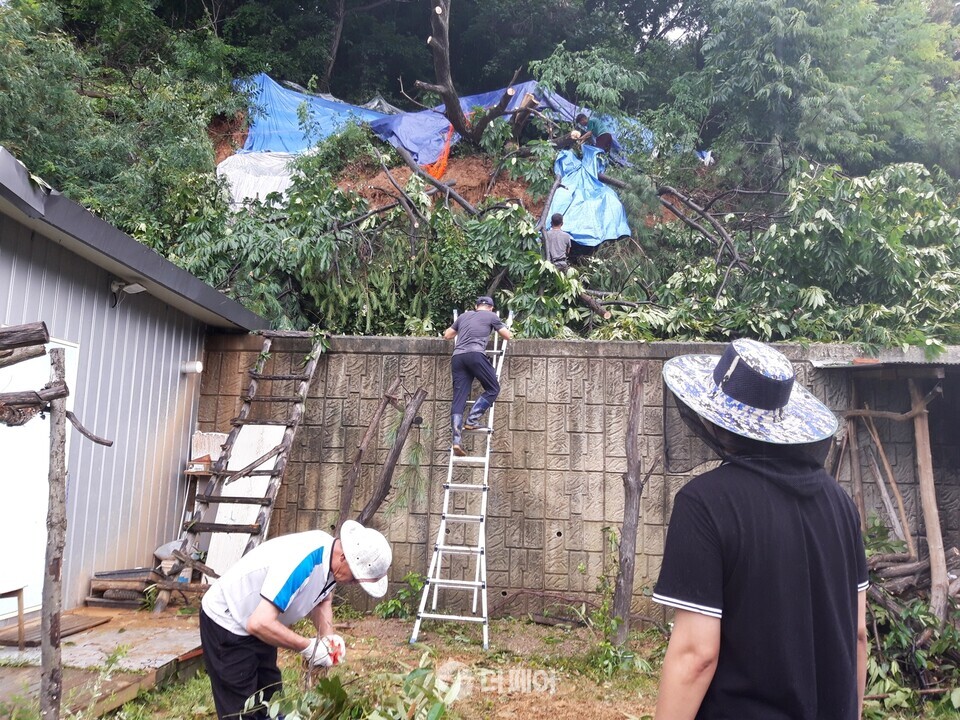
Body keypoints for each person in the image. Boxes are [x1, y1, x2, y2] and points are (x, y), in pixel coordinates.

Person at [653, 338, 869, 720]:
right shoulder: (841, 505)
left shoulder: (704, 504)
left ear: (710, 418)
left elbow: (696, 655)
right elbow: (858, 634)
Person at [200, 521, 392, 719]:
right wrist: (308, 647)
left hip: (263, 624)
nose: (352, 584)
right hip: (229, 620)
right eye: (354, 579)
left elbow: (322, 600)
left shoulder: (333, 563)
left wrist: (328, 638)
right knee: (242, 711)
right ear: (344, 558)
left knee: (272, 699)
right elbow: (258, 623)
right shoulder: (302, 561)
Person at [443, 295, 512, 456]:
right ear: (491, 307)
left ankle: (456, 441)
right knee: (493, 388)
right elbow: (507, 336)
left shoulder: (463, 316)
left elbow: (447, 335)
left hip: (458, 357)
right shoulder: (491, 316)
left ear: (476, 306)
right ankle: (472, 420)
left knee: (459, 398)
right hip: (475, 355)